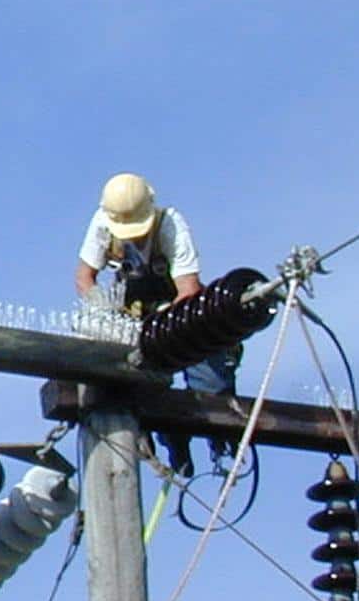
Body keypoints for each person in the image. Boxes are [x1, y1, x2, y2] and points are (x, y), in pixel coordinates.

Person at [75, 172, 239, 476]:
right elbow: (85, 276)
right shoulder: (102, 224)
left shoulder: (170, 224)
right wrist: (100, 306)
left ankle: (221, 444)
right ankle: (172, 444)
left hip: (181, 313)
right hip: (134, 315)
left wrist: (162, 326)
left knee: (210, 388)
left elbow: (188, 289)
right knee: (139, 390)